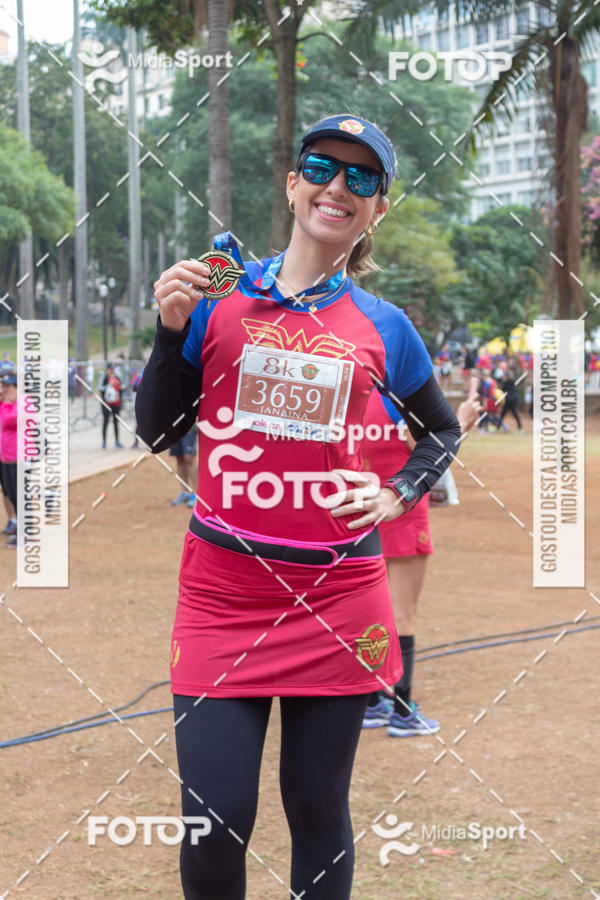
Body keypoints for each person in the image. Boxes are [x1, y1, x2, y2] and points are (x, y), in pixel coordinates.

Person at [135, 114, 461, 900]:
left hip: (338, 601)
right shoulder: (217, 301)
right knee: (215, 818)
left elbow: (441, 431)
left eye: (363, 178)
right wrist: (165, 330)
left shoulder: (385, 326)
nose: (337, 186)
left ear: (379, 206)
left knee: (317, 809)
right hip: (222, 595)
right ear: (291, 183)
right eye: (322, 165)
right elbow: (162, 430)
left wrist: (396, 491)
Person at [361, 392, 481, 737]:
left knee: (368, 609)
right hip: (403, 512)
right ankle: (402, 709)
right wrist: (461, 423)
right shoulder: (402, 396)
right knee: (402, 614)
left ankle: (371, 700)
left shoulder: (357, 392)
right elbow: (429, 451)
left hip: (364, 513)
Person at [0, 374, 18, 548]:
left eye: (8, 386)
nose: (5, 389)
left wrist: (6, 403)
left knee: (18, 495)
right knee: (9, 492)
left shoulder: (22, 403)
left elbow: (9, 422)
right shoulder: (5, 404)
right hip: (6, 456)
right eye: (3, 386)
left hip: (17, 457)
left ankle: (26, 532)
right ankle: (16, 525)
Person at [169, 424, 198, 507]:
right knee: (179, 458)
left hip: (189, 426)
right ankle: (185, 493)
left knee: (189, 458)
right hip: (173, 428)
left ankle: (196, 494)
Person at [99, 362, 123, 448]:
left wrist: (121, 387)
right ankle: (104, 442)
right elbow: (100, 388)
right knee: (105, 422)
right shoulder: (104, 377)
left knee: (116, 422)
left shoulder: (117, 377)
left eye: (112, 369)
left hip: (116, 404)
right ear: (107, 370)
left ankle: (117, 441)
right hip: (106, 404)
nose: (111, 371)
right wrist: (108, 385)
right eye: (110, 369)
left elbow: (122, 387)